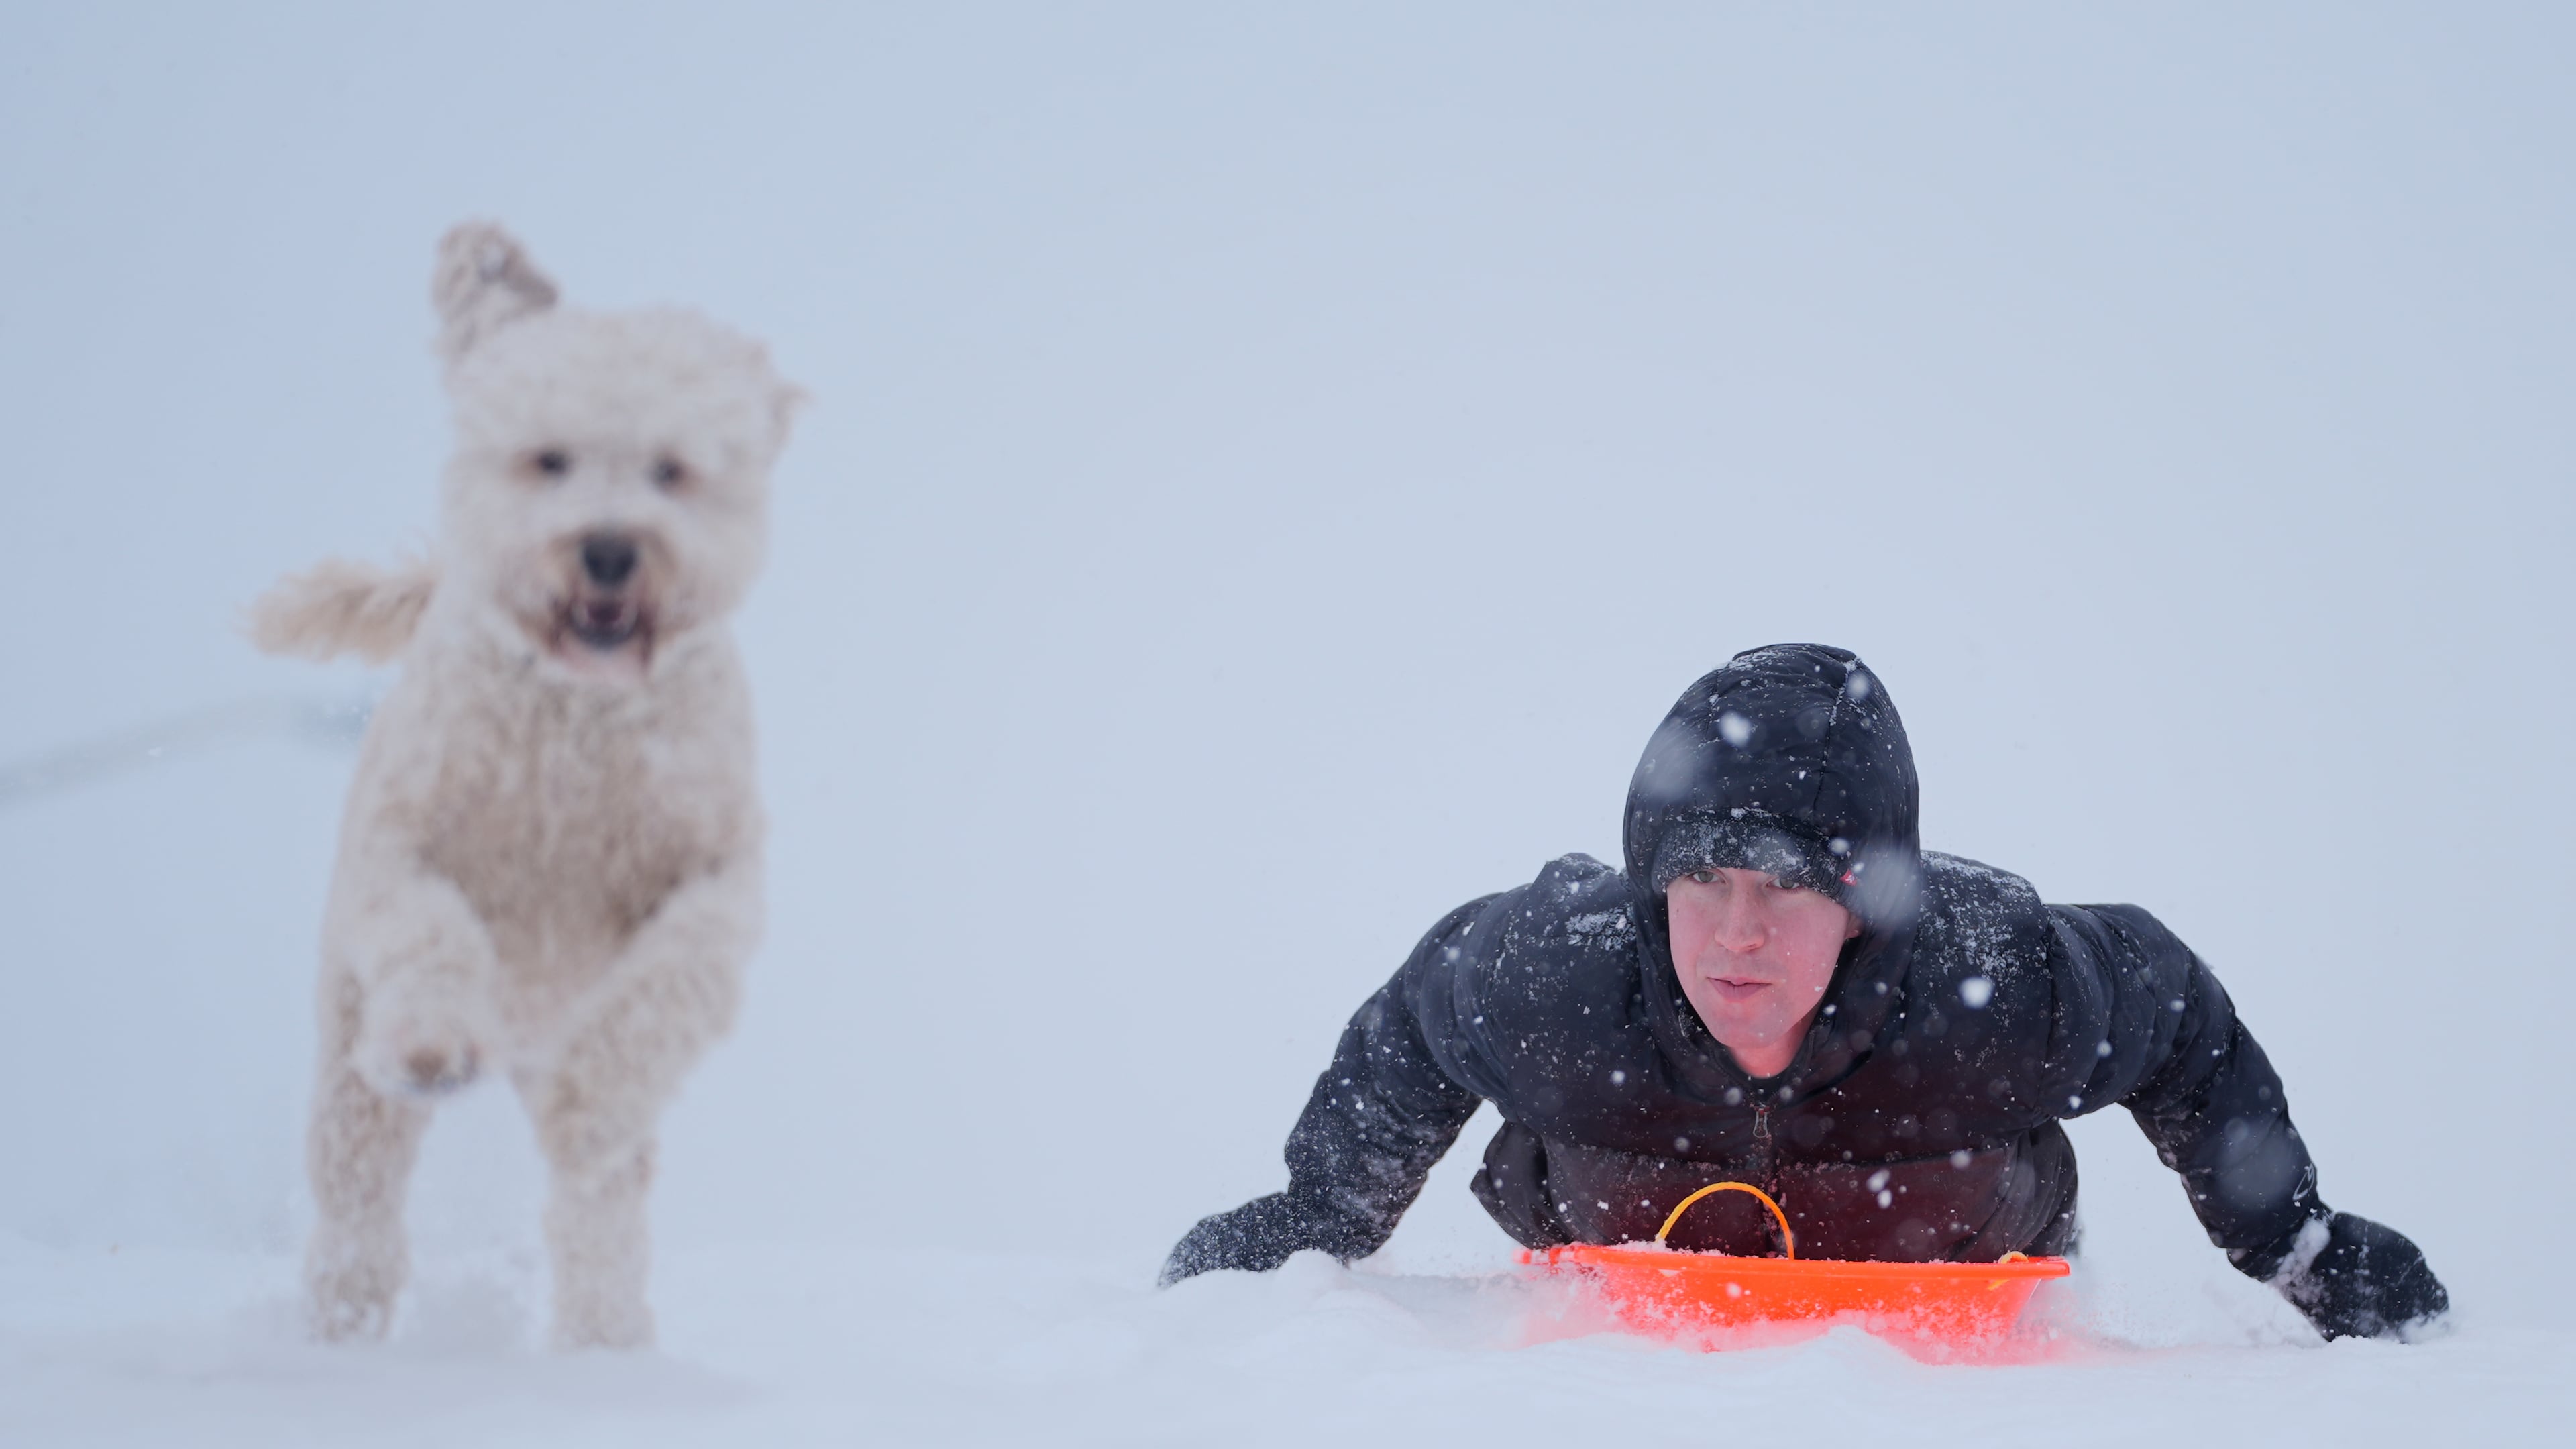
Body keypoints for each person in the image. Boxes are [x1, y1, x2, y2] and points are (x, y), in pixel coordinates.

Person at [1160, 644, 2447, 1342]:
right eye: (1701, 880)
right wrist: (1321, 1214)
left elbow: (2175, 1014)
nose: (1735, 935)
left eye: (1786, 889)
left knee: (1941, 1185)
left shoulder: (1996, 989)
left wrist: (2296, 1244)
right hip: (1619, 1271)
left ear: (1868, 906)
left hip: (1944, 1284)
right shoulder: (1557, 976)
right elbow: (1413, 1025)